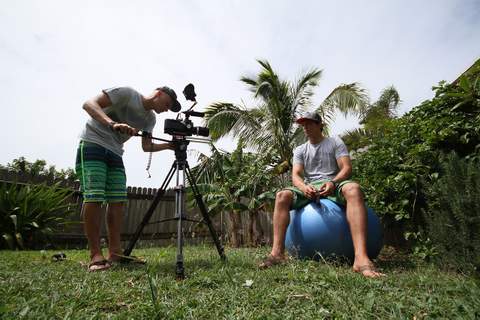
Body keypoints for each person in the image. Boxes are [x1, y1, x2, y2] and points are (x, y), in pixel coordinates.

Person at [259, 112, 385, 278]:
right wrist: (304, 187)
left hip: (334, 183)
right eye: (303, 125)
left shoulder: (334, 142)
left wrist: (333, 182)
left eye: (310, 124)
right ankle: (277, 254)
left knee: (354, 189)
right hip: (310, 187)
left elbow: (346, 168)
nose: (306, 128)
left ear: (320, 125)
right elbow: (296, 175)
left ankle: (360, 258)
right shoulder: (300, 150)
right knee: (282, 195)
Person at [75, 86, 181, 272]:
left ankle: (115, 253)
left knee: (118, 201)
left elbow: (146, 146)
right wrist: (112, 123)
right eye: (167, 104)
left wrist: (169, 146)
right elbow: (89, 104)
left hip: (116, 151)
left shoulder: (150, 119)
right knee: (94, 196)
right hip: (93, 143)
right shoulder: (126, 93)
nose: (166, 109)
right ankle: (95, 255)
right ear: (159, 93)